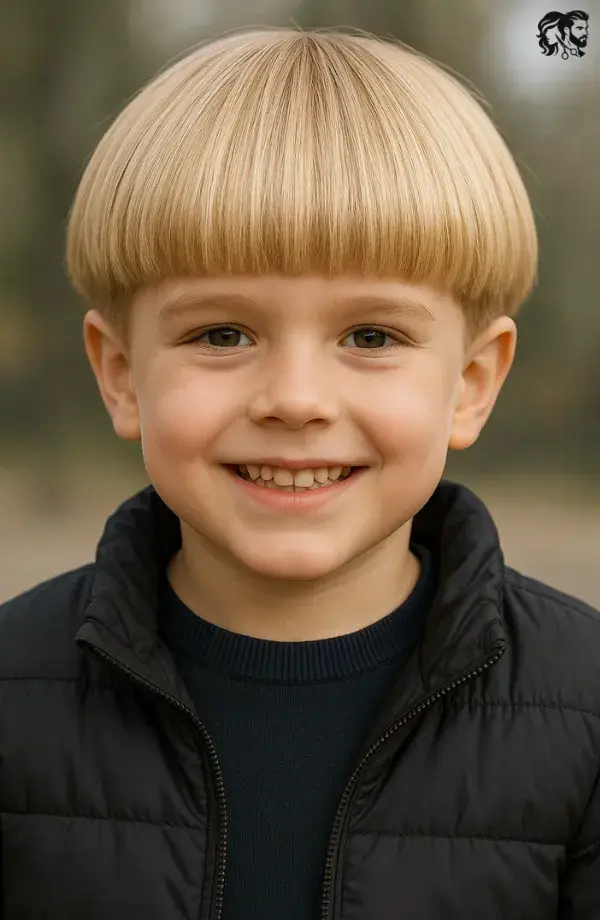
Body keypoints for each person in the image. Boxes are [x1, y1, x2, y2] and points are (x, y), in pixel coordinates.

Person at [1, 26, 599, 920]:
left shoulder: (588, 715)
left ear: (471, 384)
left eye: (371, 337)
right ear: (121, 373)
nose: (294, 398)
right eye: (222, 334)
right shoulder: (12, 695)